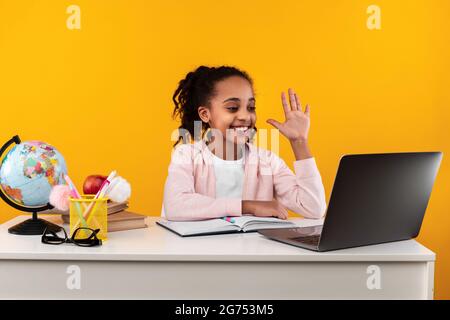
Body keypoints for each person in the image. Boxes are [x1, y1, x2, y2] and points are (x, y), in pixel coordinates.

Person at [162, 65, 326, 221]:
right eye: (232, 108)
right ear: (205, 114)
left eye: (251, 107)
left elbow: (313, 208)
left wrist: (299, 142)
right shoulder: (187, 156)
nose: (245, 116)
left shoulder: (268, 161)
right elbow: (175, 206)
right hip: (201, 250)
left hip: (251, 250)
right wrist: (248, 206)